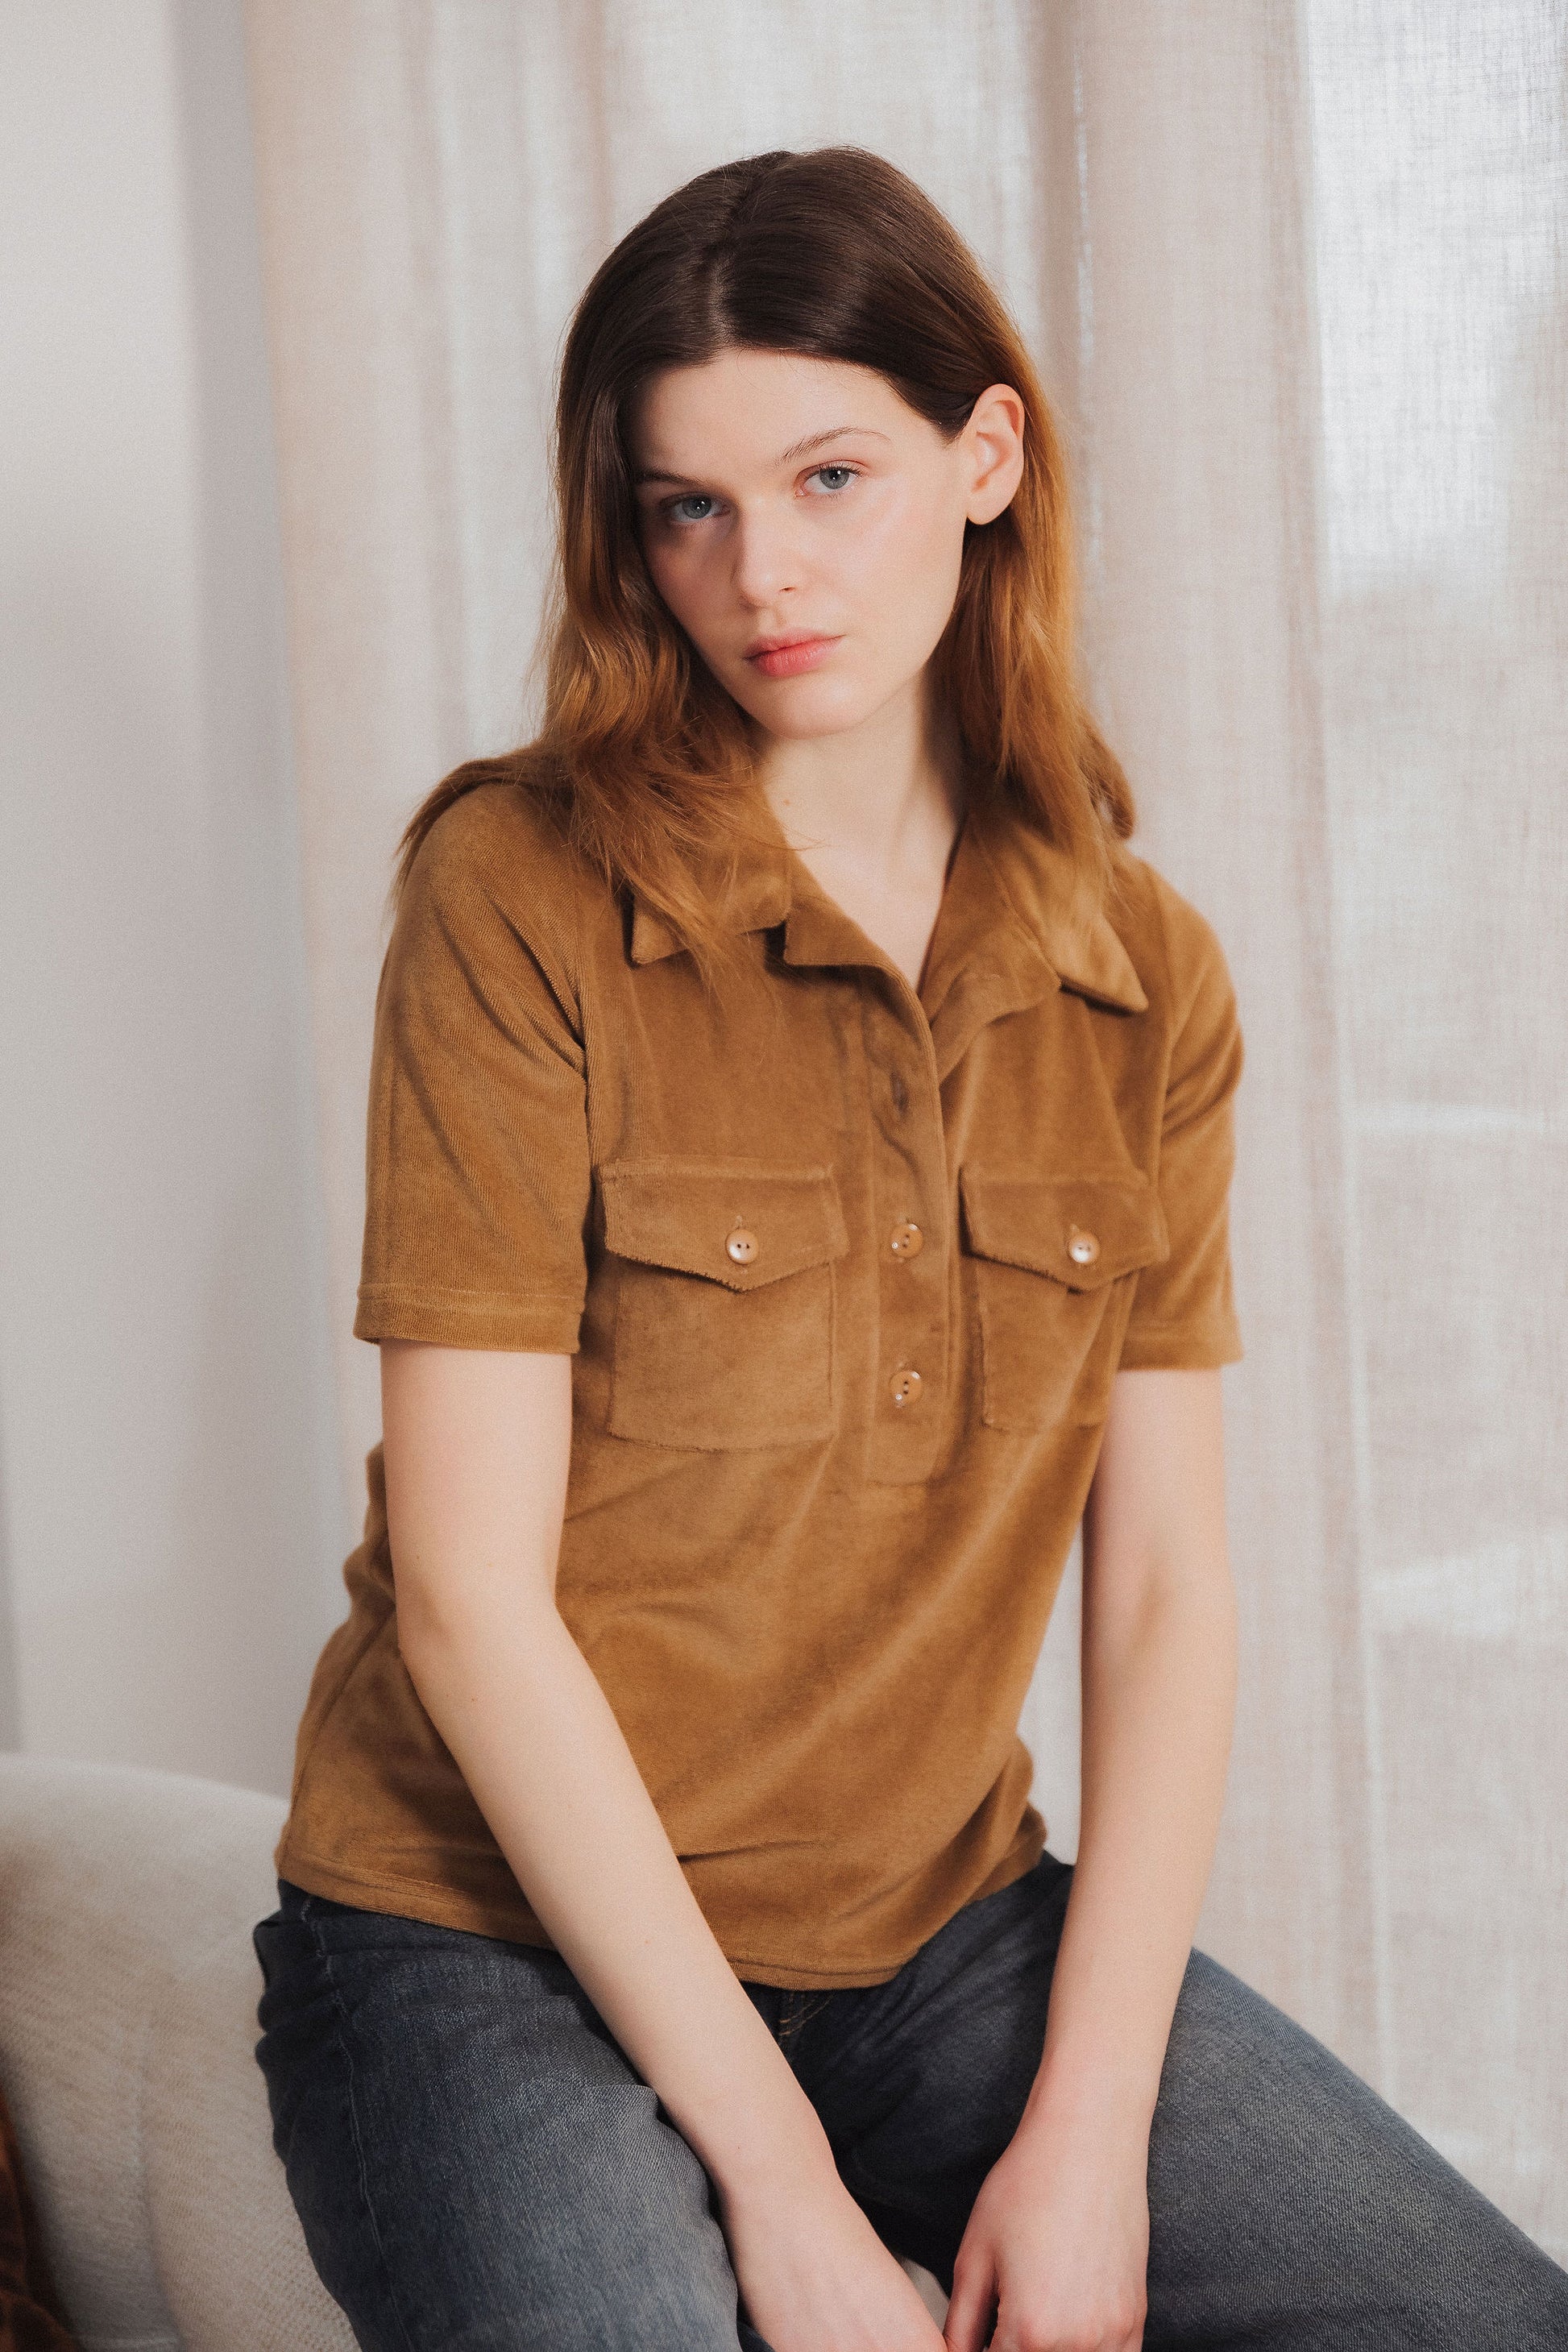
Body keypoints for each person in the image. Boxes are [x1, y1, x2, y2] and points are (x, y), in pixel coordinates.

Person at [252, 147, 1568, 2352]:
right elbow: (470, 1604)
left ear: (986, 456)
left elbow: (1163, 1591)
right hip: (482, 1946)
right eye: (686, 506)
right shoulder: (516, 891)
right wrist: (782, 2193)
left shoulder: (1144, 973)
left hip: (937, 1941)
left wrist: (1088, 2134)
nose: (759, 571)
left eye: (829, 477)